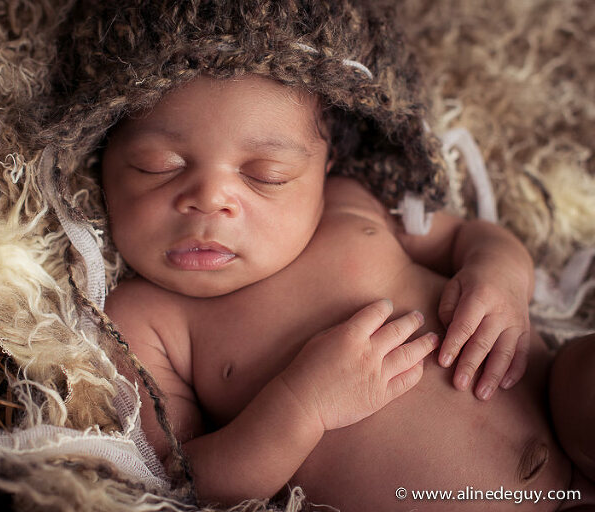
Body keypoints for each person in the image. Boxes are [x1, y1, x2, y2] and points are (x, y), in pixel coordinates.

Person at [100, 69, 595, 512]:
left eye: (266, 175)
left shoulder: (348, 204)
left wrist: (501, 276)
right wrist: (301, 407)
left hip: (558, 404)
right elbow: (181, 479)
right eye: (156, 165)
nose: (209, 200)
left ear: (324, 166)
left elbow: (470, 237)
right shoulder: (145, 318)